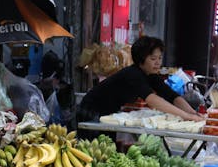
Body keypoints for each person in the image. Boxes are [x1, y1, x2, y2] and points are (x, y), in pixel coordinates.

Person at [77, 36, 205, 138]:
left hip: (109, 113)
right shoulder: (133, 74)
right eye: (153, 58)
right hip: (92, 110)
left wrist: (193, 113)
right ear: (141, 59)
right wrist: (185, 116)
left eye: (160, 58)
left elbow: (172, 96)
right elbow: (152, 99)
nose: (158, 62)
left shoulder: (151, 75)